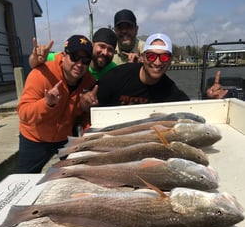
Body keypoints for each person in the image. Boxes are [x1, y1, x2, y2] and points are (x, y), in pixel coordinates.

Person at [18, 34, 98, 173]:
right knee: (24, 179)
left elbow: (86, 115)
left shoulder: (89, 82)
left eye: (85, 60)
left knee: (77, 173)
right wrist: (46, 104)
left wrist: (87, 127)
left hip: (65, 138)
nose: (79, 64)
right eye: (74, 57)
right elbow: (23, 113)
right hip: (35, 138)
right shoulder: (40, 74)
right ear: (63, 55)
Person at [97, 32, 227, 106]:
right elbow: (93, 104)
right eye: (152, 56)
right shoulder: (115, 77)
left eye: (164, 57)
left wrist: (208, 98)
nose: (157, 62)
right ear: (143, 57)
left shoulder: (171, 91)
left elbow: (190, 110)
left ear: (170, 61)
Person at [28, 28, 118, 80]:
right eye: (101, 46)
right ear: (92, 44)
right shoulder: (67, 58)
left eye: (110, 49)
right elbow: (34, 63)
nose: (105, 52)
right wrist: (36, 58)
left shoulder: (114, 70)